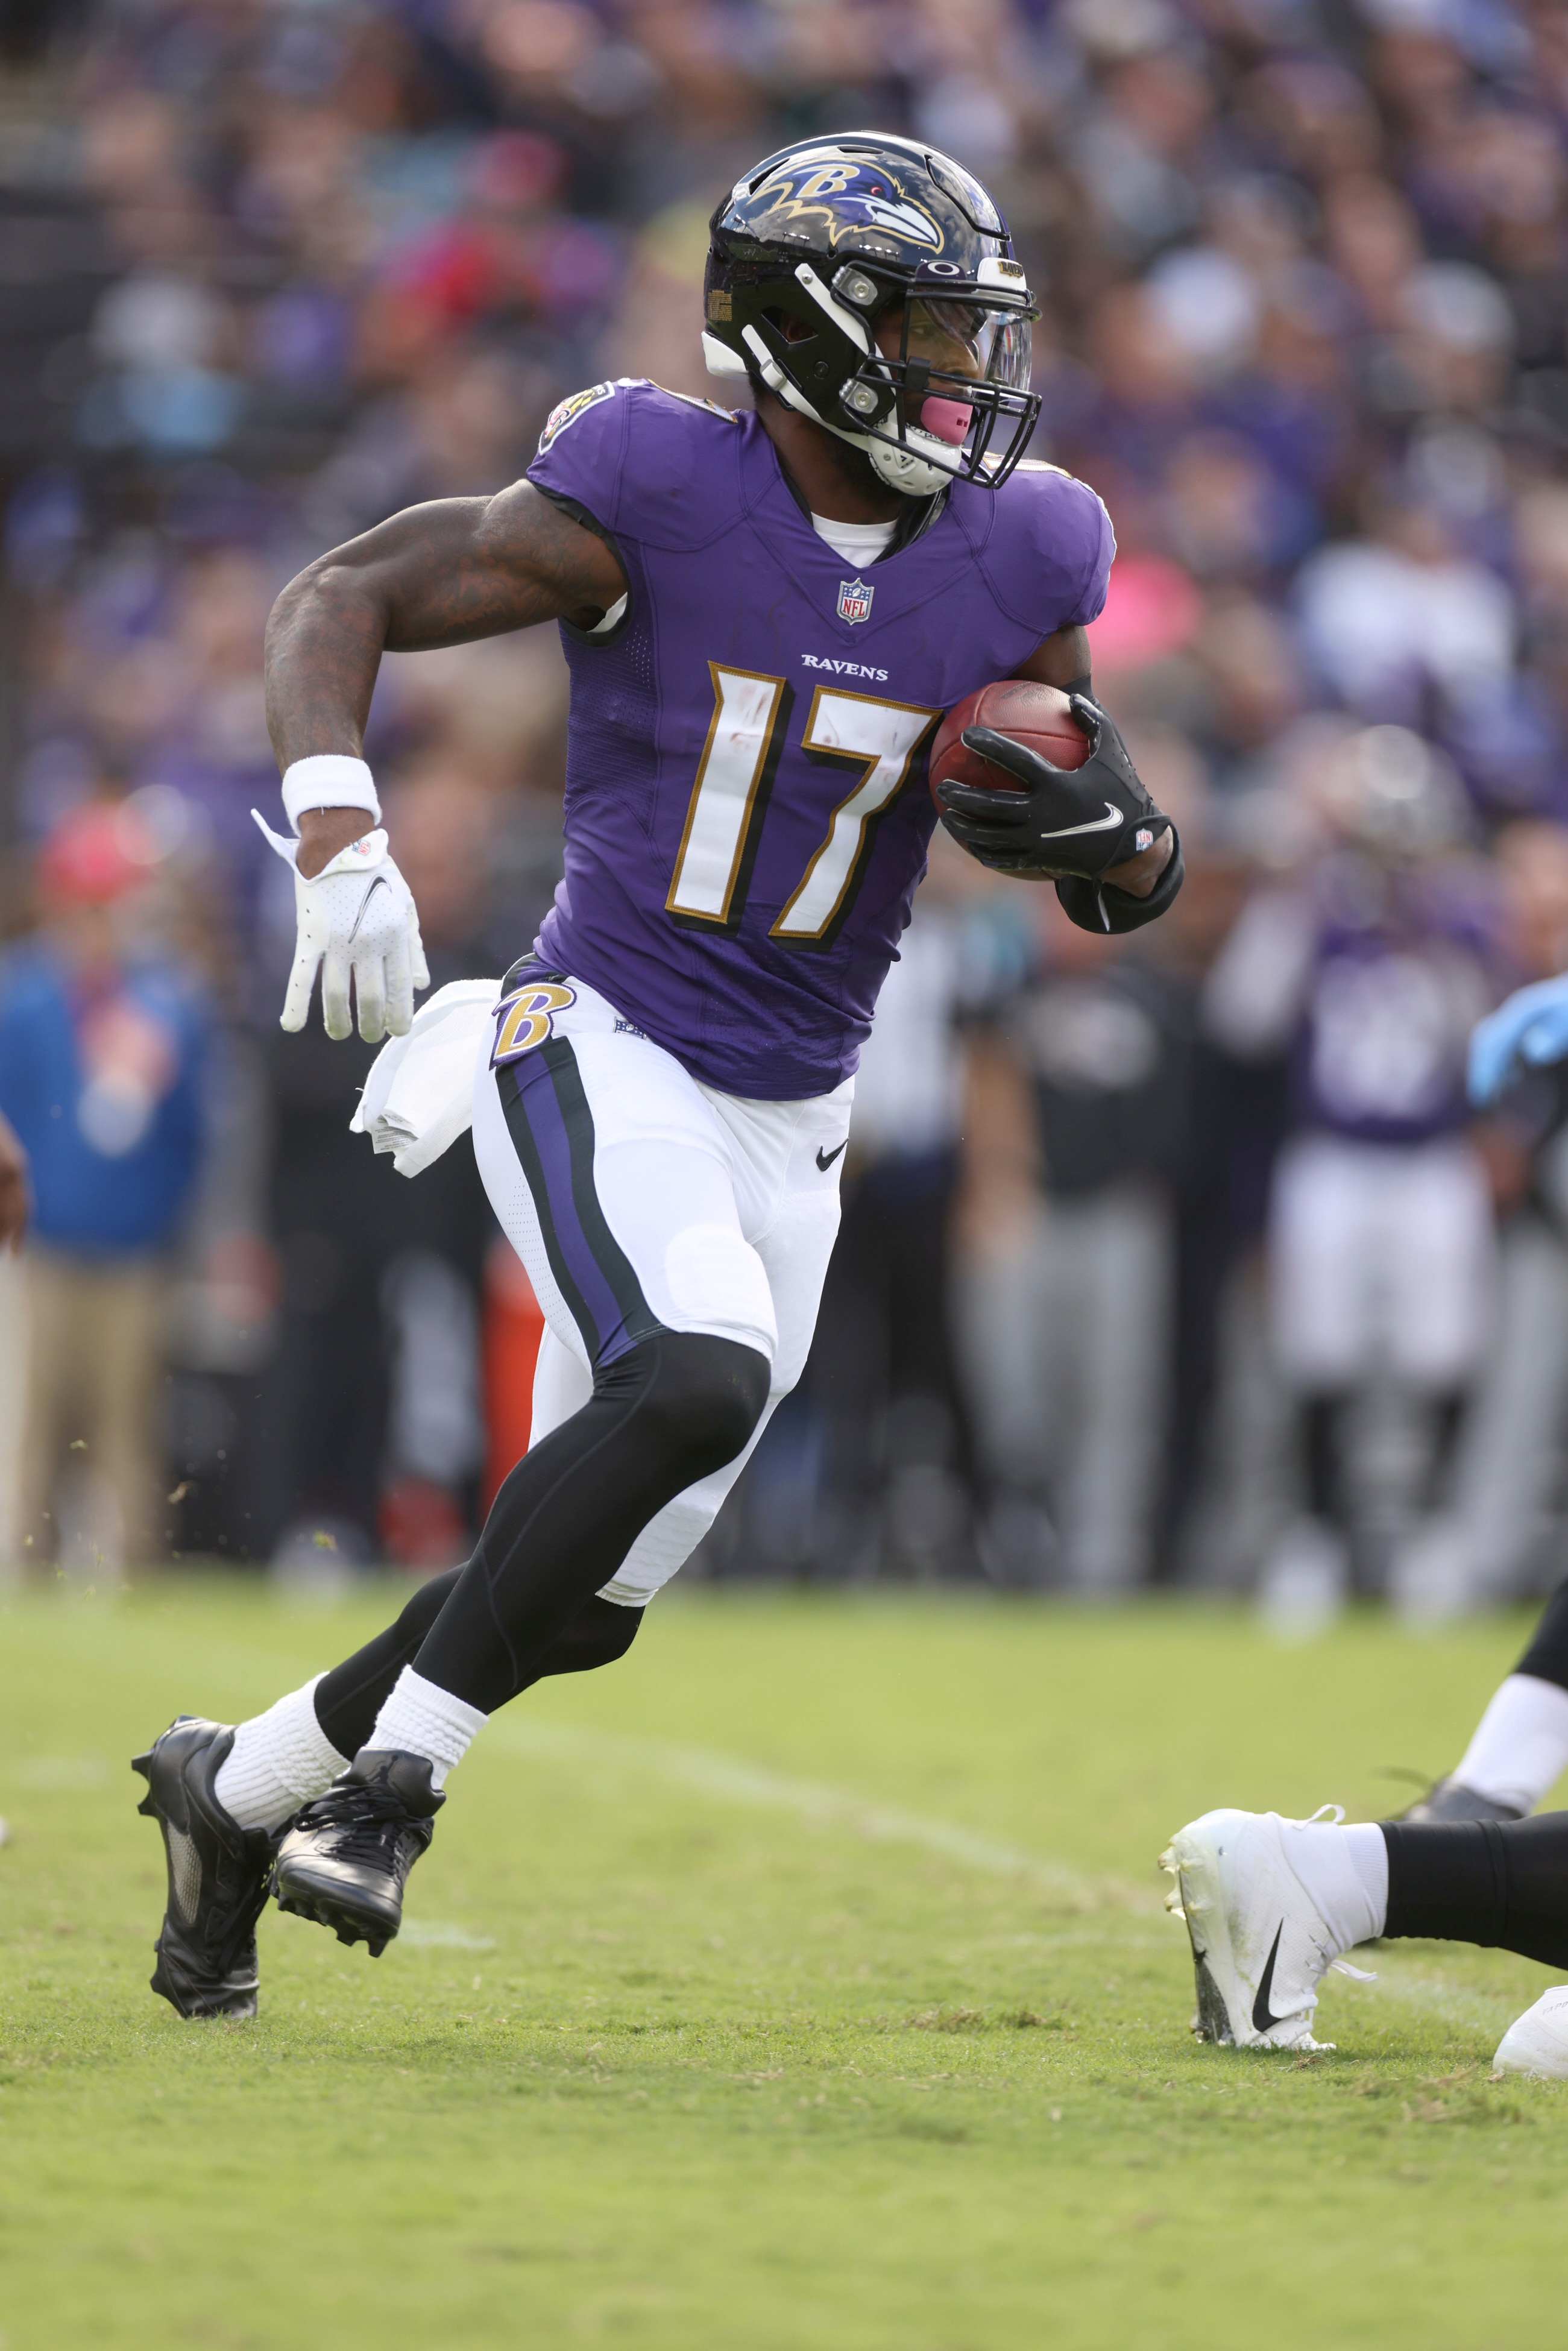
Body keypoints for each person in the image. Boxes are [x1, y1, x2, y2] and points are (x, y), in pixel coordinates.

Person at [131, 133, 1182, 2019]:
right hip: (596, 1033)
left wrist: (1133, 846)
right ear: (811, 333)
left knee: (596, 1594)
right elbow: (335, 598)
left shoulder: (1026, 544)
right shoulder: (649, 487)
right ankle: (394, 1790)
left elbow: (1098, 842)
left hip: (805, 1107)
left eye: (977, 330)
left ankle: (242, 1783)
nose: (970, 373)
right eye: (934, 329)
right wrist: (341, 832)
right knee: (685, 1373)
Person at [0, 801, 209, 1575]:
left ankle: (132, 1563)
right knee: (36, 1420)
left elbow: (194, 1136)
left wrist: (169, 1226)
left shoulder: (165, 1003)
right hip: (42, 1248)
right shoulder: (23, 997)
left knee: (128, 1423)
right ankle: (30, 1560)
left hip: (135, 1252)